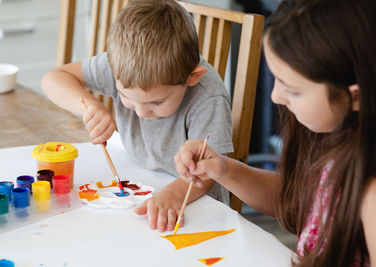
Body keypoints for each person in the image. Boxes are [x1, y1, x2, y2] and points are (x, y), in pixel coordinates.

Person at [174, 0, 376, 266]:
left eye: (292, 88)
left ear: (356, 96)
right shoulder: (335, 135)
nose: (275, 96)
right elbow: (300, 198)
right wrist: (223, 169)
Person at [41, 0, 233, 232]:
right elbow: (53, 79)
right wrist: (90, 107)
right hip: (144, 185)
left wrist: (171, 195)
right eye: (126, 96)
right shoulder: (122, 64)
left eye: (157, 102)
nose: (141, 112)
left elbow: (211, 170)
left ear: (192, 77)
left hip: (197, 206)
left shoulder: (207, 96)